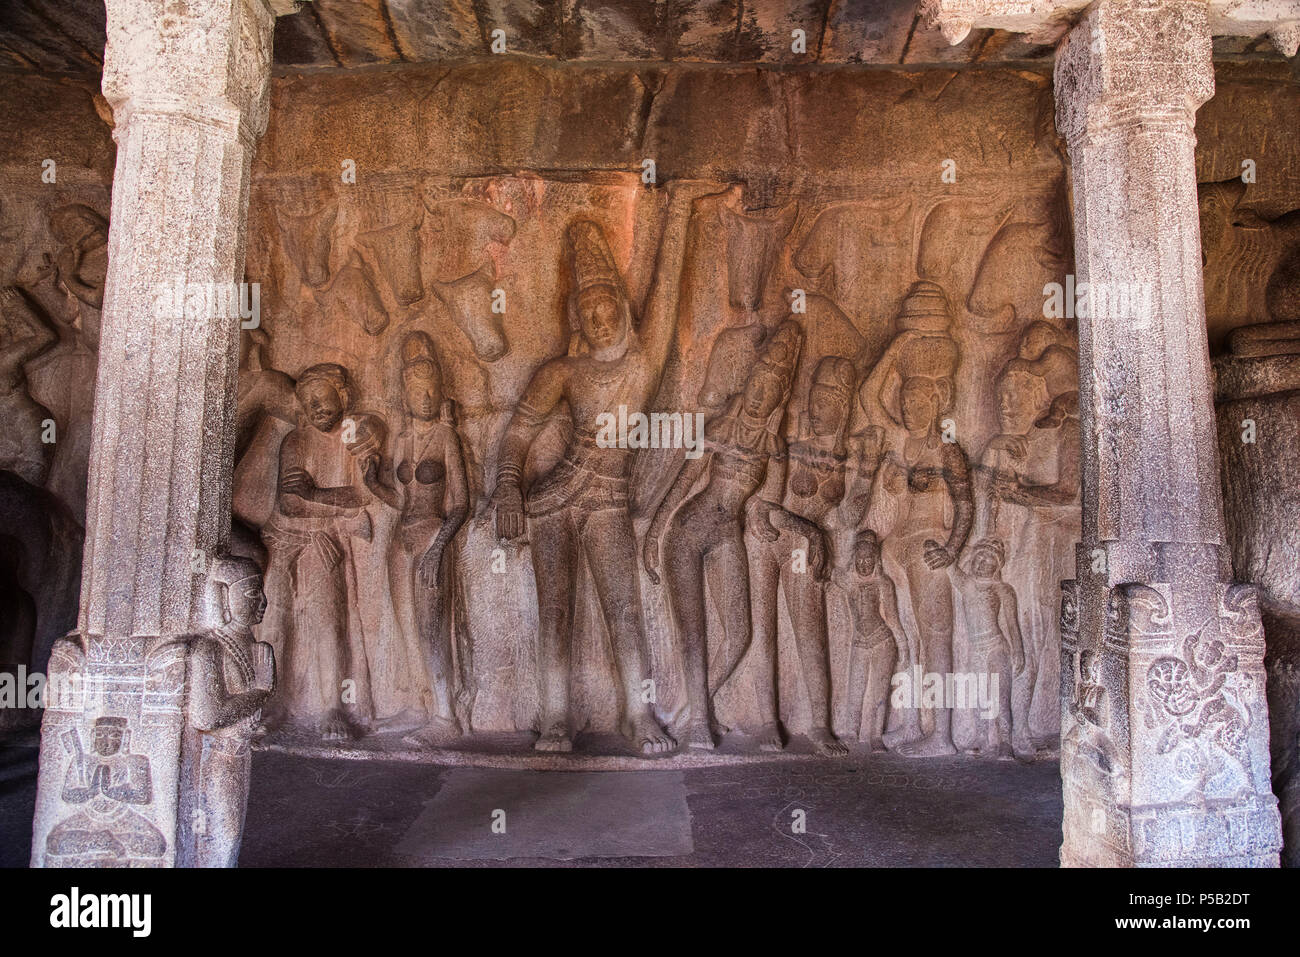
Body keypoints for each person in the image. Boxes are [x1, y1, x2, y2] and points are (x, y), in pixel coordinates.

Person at [490, 183, 713, 753]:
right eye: (587, 309)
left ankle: (639, 717)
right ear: (577, 317)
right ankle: (556, 719)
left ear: (620, 303)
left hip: (608, 498)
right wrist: (510, 490)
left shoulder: (642, 364)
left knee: (623, 609)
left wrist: (681, 205)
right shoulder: (564, 371)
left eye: (606, 302)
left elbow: (665, 293)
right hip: (553, 498)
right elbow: (518, 432)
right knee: (556, 611)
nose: (599, 316)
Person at [644, 322, 802, 750]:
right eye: (755, 381)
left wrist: (803, 531)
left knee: (739, 632)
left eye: (769, 387)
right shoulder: (718, 428)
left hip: (728, 534)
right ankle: (698, 722)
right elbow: (682, 483)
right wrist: (654, 534)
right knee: (693, 632)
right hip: (687, 531)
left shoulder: (773, 447)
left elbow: (764, 510)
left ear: (778, 397)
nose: (758, 392)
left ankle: (697, 707)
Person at [361, 332, 470, 746]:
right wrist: (373, 483)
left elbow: (461, 504)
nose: (424, 396)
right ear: (405, 395)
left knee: (430, 627)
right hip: (400, 541)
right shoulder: (402, 440)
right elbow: (398, 498)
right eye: (415, 389)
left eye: (430, 389)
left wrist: (438, 548)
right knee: (406, 624)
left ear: (439, 390)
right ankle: (417, 704)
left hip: (431, 537)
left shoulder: (446, 438)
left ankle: (446, 716)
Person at [183, 556, 275, 867]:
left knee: (229, 834)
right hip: (215, 757)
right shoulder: (207, 649)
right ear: (223, 596)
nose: (263, 602)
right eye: (252, 594)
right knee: (223, 833)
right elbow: (206, 717)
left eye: (260, 593)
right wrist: (260, 693)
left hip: (237, 753)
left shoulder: (248, 645)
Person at [842, 530, 909, 751]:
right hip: (860, 641)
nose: (863, 564)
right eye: (859, 560)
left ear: (876, 560)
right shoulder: (849, 582)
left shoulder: (883, 583)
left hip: (882, 640)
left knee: (879, 690)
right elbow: (830, 572)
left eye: (869, 560)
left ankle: (876, 735)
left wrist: (903, 646)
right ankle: (851, 731)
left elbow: (892, 617)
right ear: (853, 560)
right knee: (856, 688)